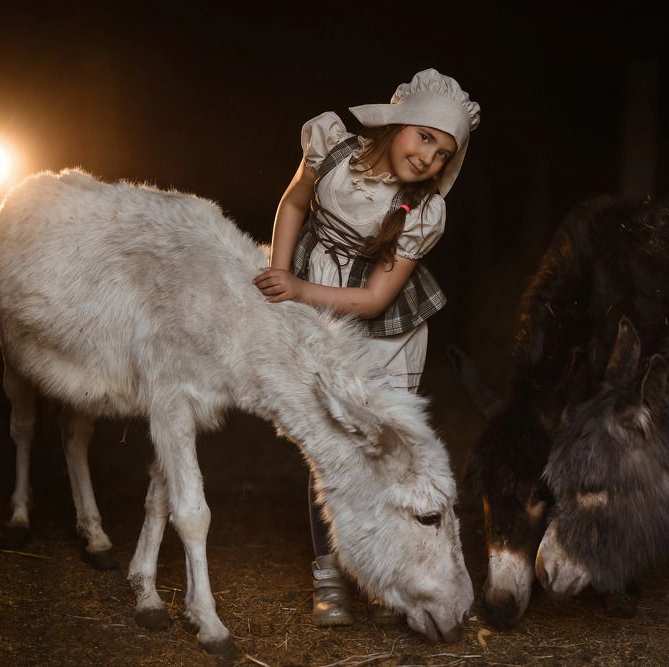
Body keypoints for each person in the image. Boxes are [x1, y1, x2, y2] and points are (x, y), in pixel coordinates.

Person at [253, 68, 480, 626]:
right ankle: (330, 574)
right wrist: (280, 280)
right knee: (329, 454)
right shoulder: (330, 147)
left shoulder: (421, 210)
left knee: (385, 458)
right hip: (312, 309)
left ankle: (391, 581)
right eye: (425, 136)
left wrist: (302, 290)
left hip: (382, 332)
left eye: (444, 153)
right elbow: (293, 205)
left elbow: (377, 298)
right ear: (399, 122)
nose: (429, 158)